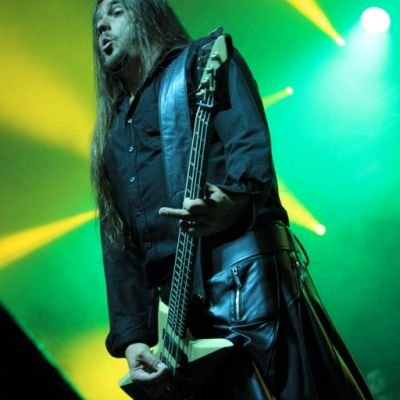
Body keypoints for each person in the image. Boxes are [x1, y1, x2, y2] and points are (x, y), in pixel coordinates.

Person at [90, 0, 374, 398]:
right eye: (97, 21)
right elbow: (119, 245)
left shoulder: (200, 64)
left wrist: (231, 203)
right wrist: (133, 339)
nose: (102, 25)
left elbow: (250, 151)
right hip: (183, 319)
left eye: (116, 11)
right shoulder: (114, 135)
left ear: (150, 13)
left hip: (244, 280)